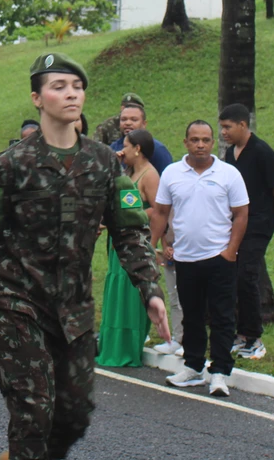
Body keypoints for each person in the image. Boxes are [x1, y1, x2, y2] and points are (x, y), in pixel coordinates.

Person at [0, 53, 167, 460]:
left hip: (73, 309)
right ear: (37, 98)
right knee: (33, 413)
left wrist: (150, 288)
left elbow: (130, 231)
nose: (70, 94)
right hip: (15, 304)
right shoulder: (10, 165)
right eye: (58, 86)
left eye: (76, 86)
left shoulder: (102, 163)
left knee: (74, 415)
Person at [150, 120, 249, 397]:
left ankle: (219, 372)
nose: (201, 145)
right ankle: (193, 367)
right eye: (195, 140)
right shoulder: (172, 173)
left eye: (206, 139)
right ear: (186, 143)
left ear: (213, 143)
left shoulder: (229, 174)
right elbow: (160, 212)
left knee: (222, 315)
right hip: (185, 257)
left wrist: (231, 251)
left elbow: (241, 214)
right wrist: (152, 244)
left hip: (220, 257)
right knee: (191, 314)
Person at [218, 103, 274, 362]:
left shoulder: (262, 152)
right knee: (233, 275)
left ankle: (254, 338)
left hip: (257, 225)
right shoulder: (230, 154)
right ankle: (240, 333)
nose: (223, 132)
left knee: (248, 275)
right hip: (236, 222)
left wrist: (270, 214)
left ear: (243, 125)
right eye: (222, 127)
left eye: (228, 127)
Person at [97, 128, 167, 367]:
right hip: (119, 243)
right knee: (117, 290)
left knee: (130, 293)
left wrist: (149, 240)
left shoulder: (149, 175)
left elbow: (159, 210)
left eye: (125, 146)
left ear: (138, 149)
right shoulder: (127, 173)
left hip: (135, 242)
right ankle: (111, 344)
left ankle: (126, 348)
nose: (121, 150)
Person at [109, 103, 174, 174]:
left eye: (134, 120)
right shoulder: (113, 147)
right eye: (123, 119)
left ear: (144, 124)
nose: (127, 123)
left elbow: (168, 178)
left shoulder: (157, 149)